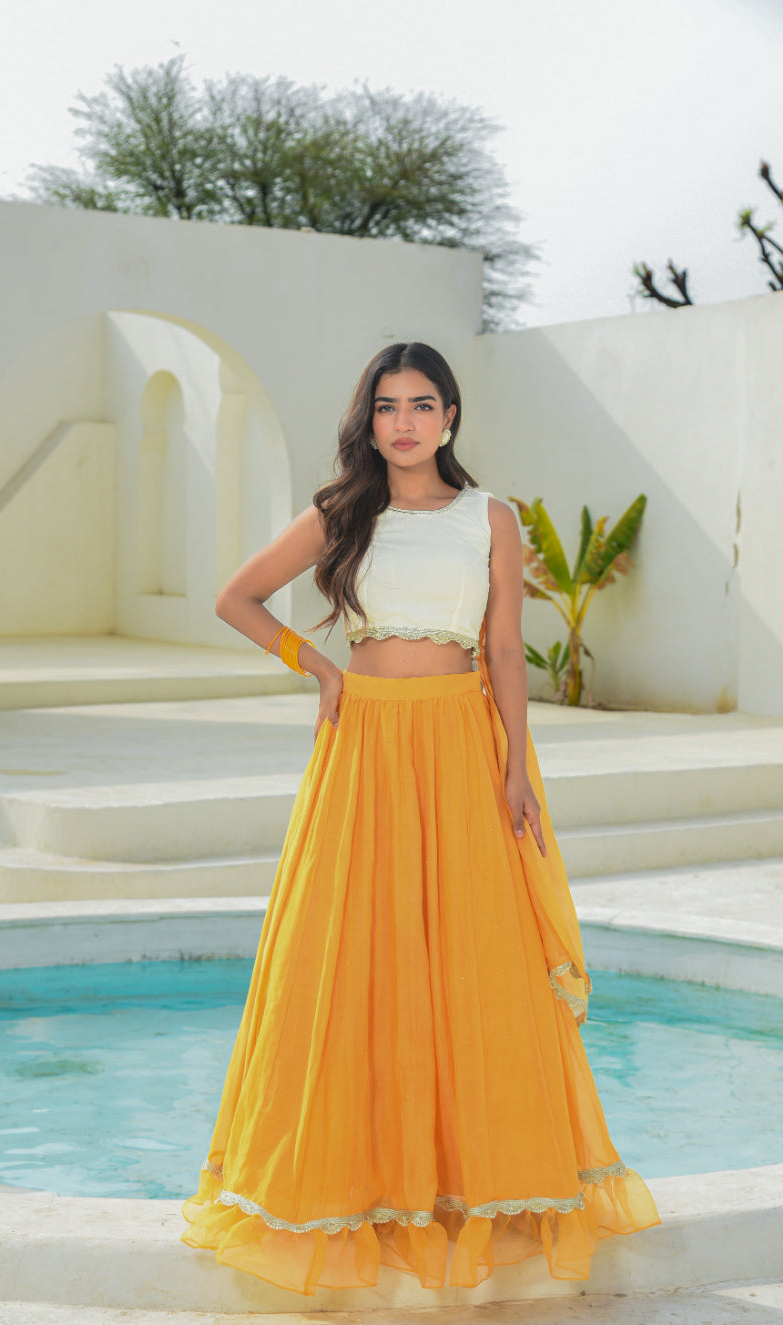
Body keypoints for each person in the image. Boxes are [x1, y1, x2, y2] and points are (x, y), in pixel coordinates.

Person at [180, 342, 660, 1296]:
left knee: (471, 958)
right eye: (388, 405)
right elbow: (235, 597)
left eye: (423, 403)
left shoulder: (492, 518)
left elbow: (506, 652)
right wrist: (317, 668)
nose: (404, 421)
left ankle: (465, 1190)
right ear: (372, 417)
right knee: (352, 954)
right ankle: (358, 1187)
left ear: (450, 417)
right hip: (364, 747)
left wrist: (518, 764)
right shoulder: (341, 513)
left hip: (461, 742)